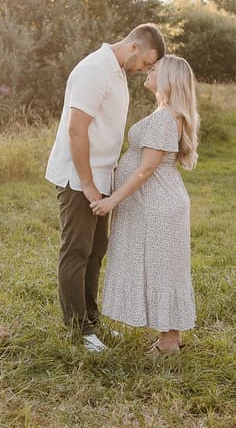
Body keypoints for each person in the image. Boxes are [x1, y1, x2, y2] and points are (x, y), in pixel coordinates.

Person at [45, 24, 166, 352]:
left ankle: (92, 321)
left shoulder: (116, 73)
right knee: (76, 252)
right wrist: (87, 184)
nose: (144, 70)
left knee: (96, 251)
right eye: (145, 63)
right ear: (133, 48)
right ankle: (78, 331)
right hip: (78, 177)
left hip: (101, 177)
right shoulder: (93, 70)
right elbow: (76, 130)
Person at [92, 54, 199, 355]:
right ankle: (171, 335)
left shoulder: (165, 118)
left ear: (168, 80)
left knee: (162, 270)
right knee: (162, 268)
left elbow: (146, 168)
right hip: (157, 203)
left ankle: (167, 343)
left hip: (158, 205)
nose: (149, 72)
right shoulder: (165, 113)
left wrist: (113, 199)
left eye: (155, 69)